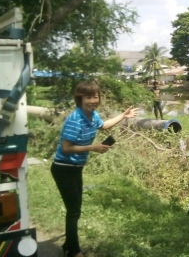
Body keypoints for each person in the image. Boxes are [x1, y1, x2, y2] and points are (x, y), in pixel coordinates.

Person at [51, 81, 139, 257]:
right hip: (64, 168)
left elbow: (104, 125)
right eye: (88, 97)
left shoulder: (92, 115)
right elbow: (66, 148)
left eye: (96, 96)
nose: (93, 100)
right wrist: (93, 147)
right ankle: (72, 250)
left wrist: (123, 115)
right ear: (80, 99)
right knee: (74, 210)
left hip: (75, 168)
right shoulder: (75, 119)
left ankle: (70, 243)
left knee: (75, 208)